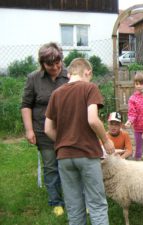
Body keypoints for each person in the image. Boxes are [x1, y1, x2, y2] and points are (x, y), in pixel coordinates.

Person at [44, 58, 115, 225]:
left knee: (74, 206)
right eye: (90, 76)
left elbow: (47, 129)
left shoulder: (56, 93)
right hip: (87, 154)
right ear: (87, 72)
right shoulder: (89, 88)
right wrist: (105, 141)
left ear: (70, 72)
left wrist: (63, 142)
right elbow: (93, 120)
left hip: (64, 156)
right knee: (97, 205)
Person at [21, 42, 68, 216]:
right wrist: (29, 130)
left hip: (67, 131)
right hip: (43, 130)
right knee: (51, 166)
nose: (55, 67)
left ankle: (72, 198)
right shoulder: (34, 78)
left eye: (58, 63)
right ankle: (56, 201)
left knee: (68, 165)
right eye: (50, 65)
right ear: (42, 64)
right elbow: (26, 105)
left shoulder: (70, 76)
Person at [125, 73, 143, 160]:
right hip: (138, 127)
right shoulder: (133, 98)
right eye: (137, 84)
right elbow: (132, 112)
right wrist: (130, 121)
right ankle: (138, 161)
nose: (139, 86)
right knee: (138, 147)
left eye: (141, 83)